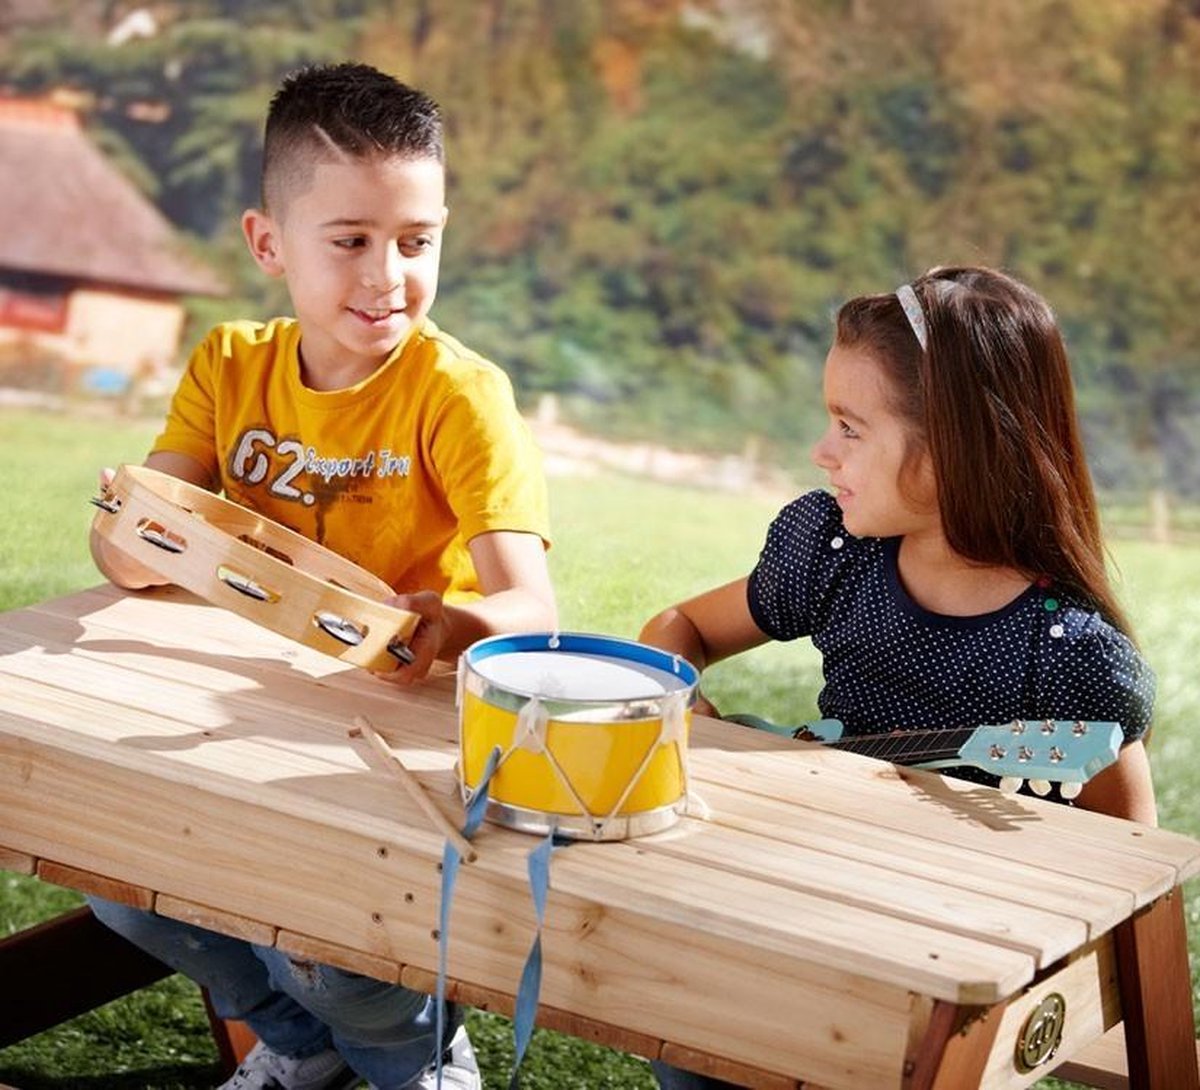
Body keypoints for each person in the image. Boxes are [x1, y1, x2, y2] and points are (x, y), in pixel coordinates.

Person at [88, 62, 556, 1090]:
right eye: (350, 240)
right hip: (223, 716)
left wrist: (458, 620)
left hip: (387, 739)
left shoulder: (461, 395)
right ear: (269, 243)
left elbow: (534, 605)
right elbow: (133, 542)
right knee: (117, 889)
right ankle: (299, 1053)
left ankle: (421, 1060)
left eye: (415, 241)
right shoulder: (228, 365)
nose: (387, 277)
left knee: (325, 954)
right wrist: (128, 527)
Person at [639, 266, 1157, 1089]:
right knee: (693, 1036)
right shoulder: (838, 554)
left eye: (850, 426)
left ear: (958, 446)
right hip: (808, 887)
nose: (821, 451)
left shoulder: (1066, 653)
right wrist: (684, 700)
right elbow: (682, 628)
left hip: (938, 952)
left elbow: (1133, 877)